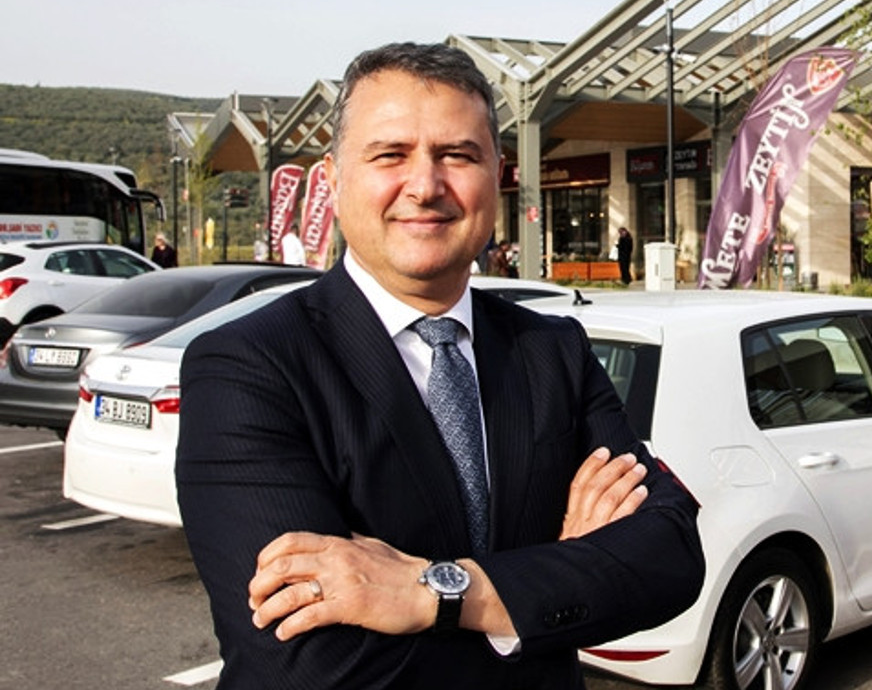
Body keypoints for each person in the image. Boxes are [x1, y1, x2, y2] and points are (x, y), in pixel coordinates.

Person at [175, 42, 704, 689]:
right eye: (390, 155)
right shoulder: (248, 366)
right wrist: (550, 585)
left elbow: (671, 556)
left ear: (496, 174)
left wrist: (442, 594)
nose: (425, 186)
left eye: (458, 155)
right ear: (334, 179)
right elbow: (307, 667)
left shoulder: (552, 350)